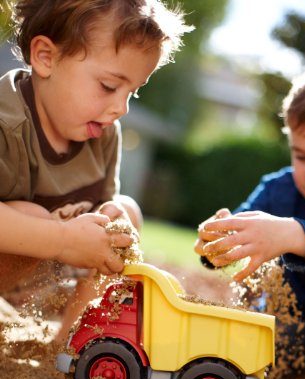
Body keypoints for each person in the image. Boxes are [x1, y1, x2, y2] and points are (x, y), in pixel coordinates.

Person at [0, 0, 192, 342]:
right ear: (46, 57)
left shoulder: (102, 134)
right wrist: (62, 239)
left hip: (35, 285)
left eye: (132, 92)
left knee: (126, 214)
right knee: (30, 214)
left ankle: (69, 343)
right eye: (108, 86)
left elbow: (104, 213)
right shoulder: (6, 126)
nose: (120, 108)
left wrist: (112, 213)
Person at [195, 60, 305, 376]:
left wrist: (291, 233)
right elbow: (233, 236)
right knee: (242, 353)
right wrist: (214, 242)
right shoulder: (278, 191)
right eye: (301, 156)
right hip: (289, 334)